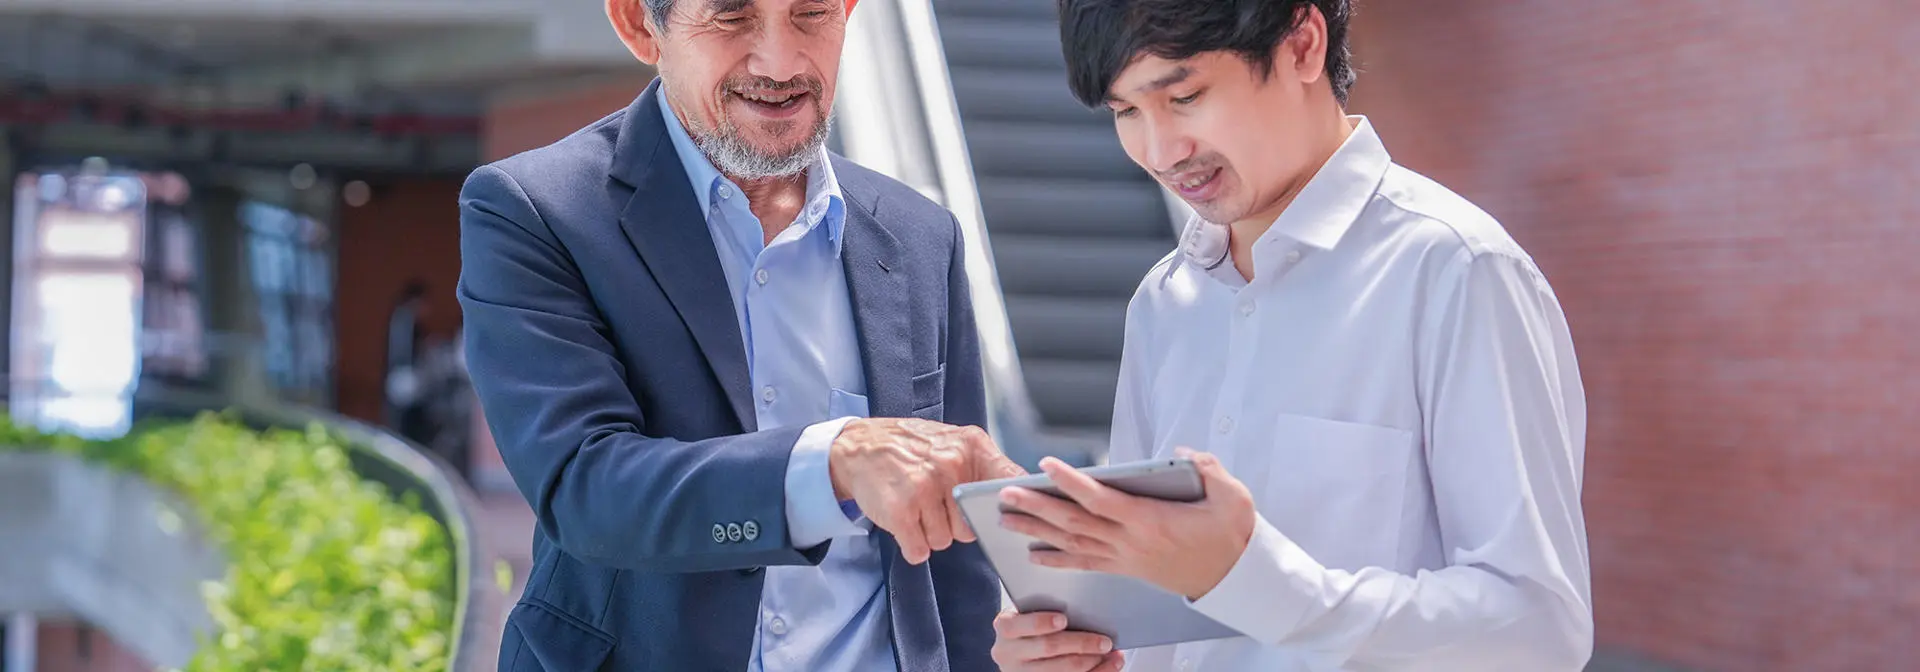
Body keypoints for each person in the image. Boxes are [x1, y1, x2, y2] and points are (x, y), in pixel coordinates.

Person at [990, 1, 1594, 670]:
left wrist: (1253, 579)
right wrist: (1077, 649)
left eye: (1184, 96)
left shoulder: (1457, 271)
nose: (1160, 152)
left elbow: (1539, 631)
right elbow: (1154, 626)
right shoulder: (1165, 302)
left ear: (1302, 45)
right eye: (1126, 112)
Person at [457, 0, 1022, 669]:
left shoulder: (922, 235)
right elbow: (586, 487)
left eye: (811, 15)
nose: (779, 63)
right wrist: (835, 459)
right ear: (641, 24)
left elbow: (951, 554)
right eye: (731, 17)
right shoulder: (535, 210)